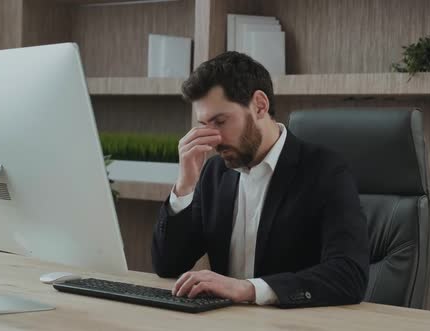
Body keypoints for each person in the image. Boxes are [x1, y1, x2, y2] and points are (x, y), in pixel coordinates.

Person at [151, 52, 369, 308]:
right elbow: (168, 265)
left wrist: (249, 289)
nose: (214, 139)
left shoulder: (324, 170)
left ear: (259, 105)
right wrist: (184, 186)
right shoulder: (214, 173)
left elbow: (349, 275)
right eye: (205, 124)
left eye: (221, 121)